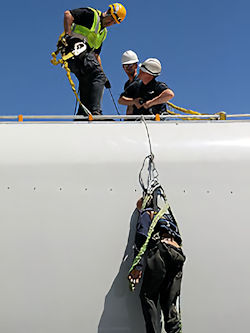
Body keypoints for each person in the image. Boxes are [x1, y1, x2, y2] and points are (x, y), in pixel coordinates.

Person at [128, 196, 185, 333]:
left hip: (162, 250)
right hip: (177, 254)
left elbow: (141, 237)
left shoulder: (147, 213)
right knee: (169, 300)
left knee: (148, 296)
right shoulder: (167, 216)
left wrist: (137, 266)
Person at [62, 3, 126, 116]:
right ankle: (96, 112)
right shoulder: (91, 15)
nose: (110, 23)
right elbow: (68, 14)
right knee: (97, 77)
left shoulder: (103, 33)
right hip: (75, 50)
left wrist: (103, 75)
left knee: (87, 82)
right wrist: (67, 37)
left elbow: (96, 55)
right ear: (108, 12)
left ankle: (83, 114)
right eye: (111, 19)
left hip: (83, 57)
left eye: (114, 23)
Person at [121, 50, 140, 115]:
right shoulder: (127, 84)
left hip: (143, 117)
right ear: (123, 67)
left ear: (136, 66)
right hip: (134, 119)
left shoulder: (141, 81)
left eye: (130, 65)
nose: (128, 68)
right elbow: (129, 104)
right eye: (126, 66)